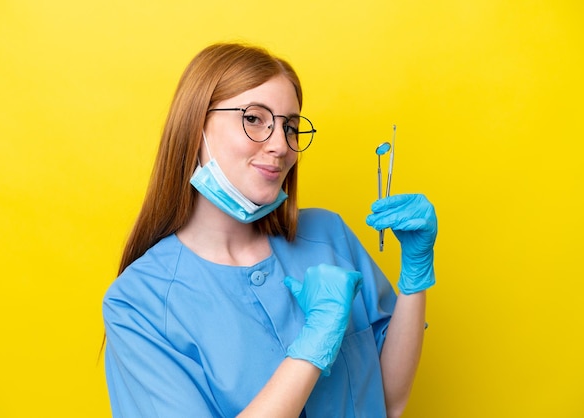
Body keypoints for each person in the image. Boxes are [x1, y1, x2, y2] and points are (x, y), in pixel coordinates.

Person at [102, 42, 437, 418]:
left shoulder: (329, 236)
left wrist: (415, 276)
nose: (280, 145)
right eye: (254, 119)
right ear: (196, 128)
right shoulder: (138, 303)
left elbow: (391, 399)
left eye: (290, 126)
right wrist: (313, 345)